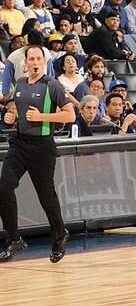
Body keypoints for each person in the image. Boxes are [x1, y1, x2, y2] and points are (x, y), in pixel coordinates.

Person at [0, 45, 76, 263]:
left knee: (46, 196)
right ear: (25, 63)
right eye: (30, 59)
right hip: (20, 143)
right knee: (4, 188)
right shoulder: (21, 84)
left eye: (38, 59)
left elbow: (69, 116)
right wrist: (10, 116)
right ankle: (14, 239)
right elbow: (16, 110)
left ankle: (60, 235)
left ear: (44, 62)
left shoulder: (52, 85)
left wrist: (43, 117)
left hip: (42, 146)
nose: (34, 62)